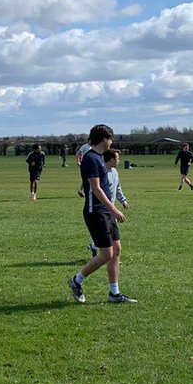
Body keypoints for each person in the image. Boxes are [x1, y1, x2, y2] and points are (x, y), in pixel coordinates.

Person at [69, 125, 135, 304]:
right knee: (106, 254)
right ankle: (76, 281)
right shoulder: (91, 158)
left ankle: (114, 293)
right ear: (104, 139)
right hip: (96, 211)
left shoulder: (98, 158)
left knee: (116, 250)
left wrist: (112, 209)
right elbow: (96, 189)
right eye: (111, 138)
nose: (112, 142)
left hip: (106, 211)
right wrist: (114, 209)